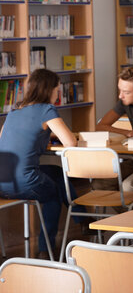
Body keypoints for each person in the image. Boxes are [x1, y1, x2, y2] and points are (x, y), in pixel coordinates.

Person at [0, 69, 86, 258]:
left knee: (55, 172)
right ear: (49, 90)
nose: (58, 93)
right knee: (53, 192)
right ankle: (45, 248)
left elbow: (5, 141)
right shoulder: (46, 110)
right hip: (24, 182)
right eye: (57, 89)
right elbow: (70, 142)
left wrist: (40, 139)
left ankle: (82, 217)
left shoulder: (14, 111)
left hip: (2, 182)